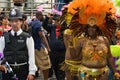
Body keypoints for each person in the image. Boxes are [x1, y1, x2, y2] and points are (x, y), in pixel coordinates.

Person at [61, 0, 120, 80]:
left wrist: (115, 72)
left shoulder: (104, 40)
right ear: (86, 28)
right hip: (84, 74)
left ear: (98, 28)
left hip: (103, 73)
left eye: (93, 27)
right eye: (89, 27)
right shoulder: (82, 41)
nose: (91, 29)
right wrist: (71, 45)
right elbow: (74, 56)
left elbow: (109, 57)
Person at [0, 8, 37, 80]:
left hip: (23, 72)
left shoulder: (28, 38)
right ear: (9, 22)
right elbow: (0, 53)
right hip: (7, 71)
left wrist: (32, 72)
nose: (14, 23)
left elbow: (31, 56)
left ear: (21, 22)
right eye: (12, 21)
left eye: (16, 21)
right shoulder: (3, 38)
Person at [30, 11, 51, 80]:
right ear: (39, 15)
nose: (43, 17)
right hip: (39, 47)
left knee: (34, 66)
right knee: (46, 65)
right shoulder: (38, 23)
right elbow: (42, 36)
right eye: (42, 15)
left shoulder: (32, 22)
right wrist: (48, 47)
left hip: (33, 47)